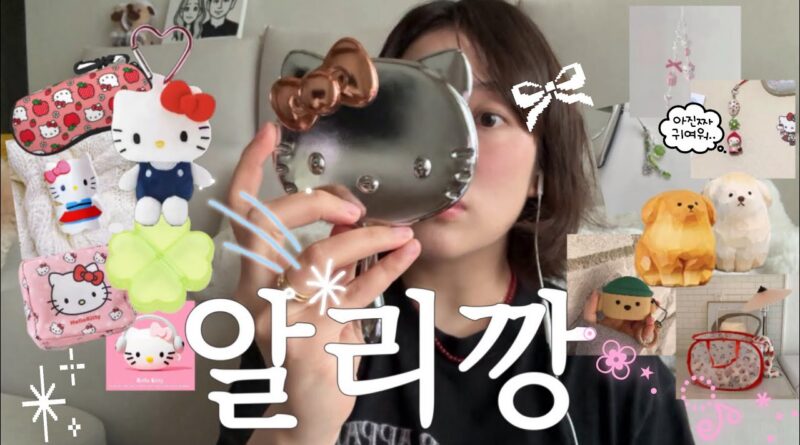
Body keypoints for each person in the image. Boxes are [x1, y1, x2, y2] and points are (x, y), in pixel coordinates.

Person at [217, 1, 695, 444]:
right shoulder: (303, 320)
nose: (451, 146)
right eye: (417, 112)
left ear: (541, 169)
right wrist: (298, 426)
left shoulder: (611, 348)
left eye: (487, 119)